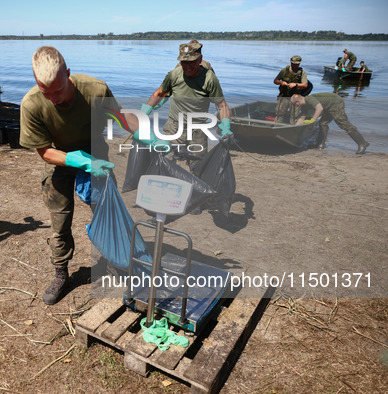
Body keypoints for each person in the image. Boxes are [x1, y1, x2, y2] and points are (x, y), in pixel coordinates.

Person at [19, 46, 138, 305]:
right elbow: (45, 152)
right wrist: (76, 160)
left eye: (58, 90)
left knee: (107, 211)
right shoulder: (31, 104)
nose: (52, 98)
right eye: (45, 91)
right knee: (59, 220)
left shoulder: (95, 89)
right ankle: (61, 272)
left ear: (68, 75)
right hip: (58, 159)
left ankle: (112, 258)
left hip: (95, 152)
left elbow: (119, 117)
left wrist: (142, 130)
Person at [142, 41, 232, 172]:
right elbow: (160, 92)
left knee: (198, 168)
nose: (187, 67)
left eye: (191, 62)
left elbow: (222, 105)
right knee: (163, 161)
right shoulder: (174, 74)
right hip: (174, 127)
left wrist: (225, 126)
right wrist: (144, 112)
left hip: (198, 130)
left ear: (200, 60)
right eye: (184, 63)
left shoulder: (209, 79)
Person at [291, 93, 369, 154]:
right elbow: (302, 118)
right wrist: (294, 129)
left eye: (294, 104)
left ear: (298, 101)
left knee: (343, 123)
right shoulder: (304, 106)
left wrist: (313, 119)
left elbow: (319, 108)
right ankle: (320, 144)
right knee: (323, 124)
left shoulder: (309, 99)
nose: (295, 106)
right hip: (328, 106)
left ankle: (362, 143)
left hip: (335, 102)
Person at [273, 55, 309, 124]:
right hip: (284, 96)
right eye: (293, 63)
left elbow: (305, 85)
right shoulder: (284, 70)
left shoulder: (302, 73)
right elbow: (275, 81)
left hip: (295, 97)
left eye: (297, 64)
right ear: (290, 62)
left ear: (299, 63)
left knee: (294, 117)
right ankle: (277, 128)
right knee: (280, 115)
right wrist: (281, 82)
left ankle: (292, 129)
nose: (295, 65)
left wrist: (296, 84)